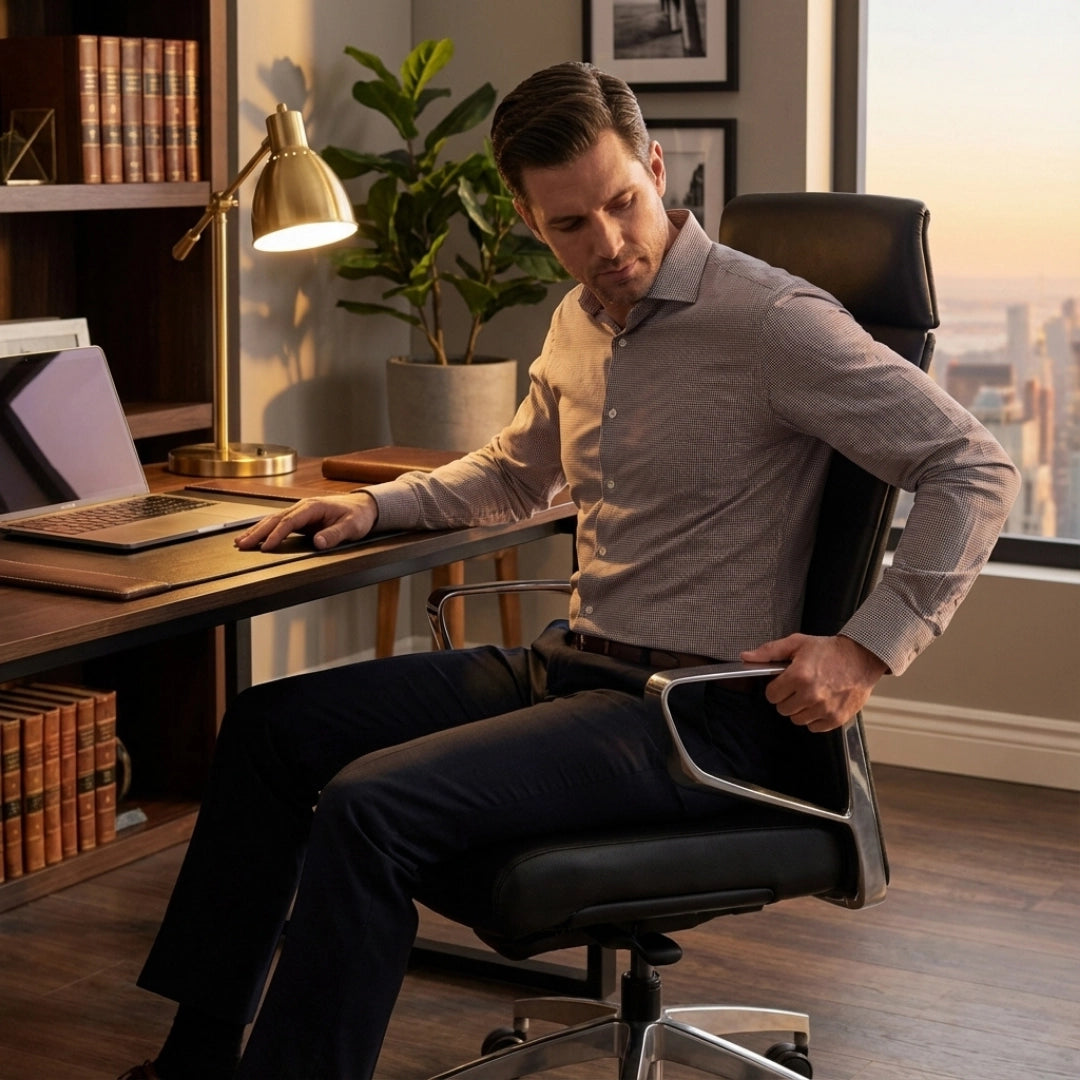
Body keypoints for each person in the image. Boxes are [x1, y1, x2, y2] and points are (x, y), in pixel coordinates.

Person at [118, 61, 1019, 1080]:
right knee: (272, 730)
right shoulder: (580, 318)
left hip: (697, 714)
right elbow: (515, 473)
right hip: (579, 669)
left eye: (623, 205)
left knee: (371, 808)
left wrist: (868, 647)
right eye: (570, 227)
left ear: (656, 166)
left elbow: (974, 465)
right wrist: (372, 506)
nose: (610, 246)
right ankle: (191, 1065)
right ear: (527, 218)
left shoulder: (770, 319)